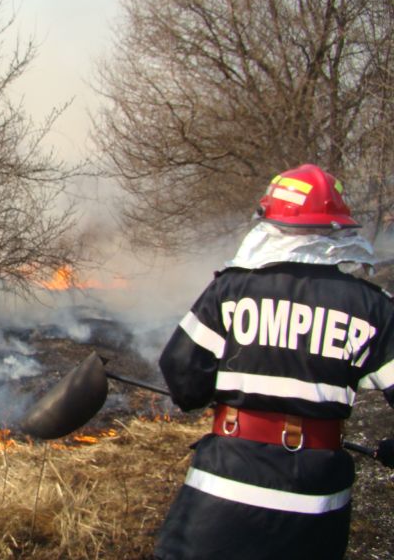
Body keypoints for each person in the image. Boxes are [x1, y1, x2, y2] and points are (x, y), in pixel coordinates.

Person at [153, 164, 394, 560]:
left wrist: (208, 394)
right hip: (316, 504)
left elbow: (181, 373)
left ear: (270, 223)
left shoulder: (231, 289)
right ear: (337, 229)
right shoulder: (372, 307)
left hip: (223, 491)